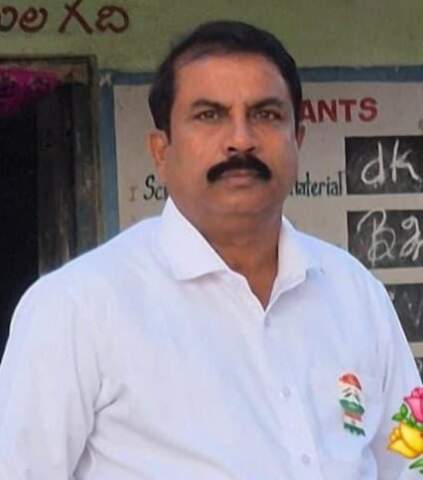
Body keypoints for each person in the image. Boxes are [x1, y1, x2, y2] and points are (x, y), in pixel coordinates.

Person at [0, 20, 420, 480]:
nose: (241, 139)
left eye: (266, 114)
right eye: (210, 115)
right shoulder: (77, 307)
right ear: (161, 151)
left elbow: (411, 455)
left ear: (297, 140)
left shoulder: (355, 293)